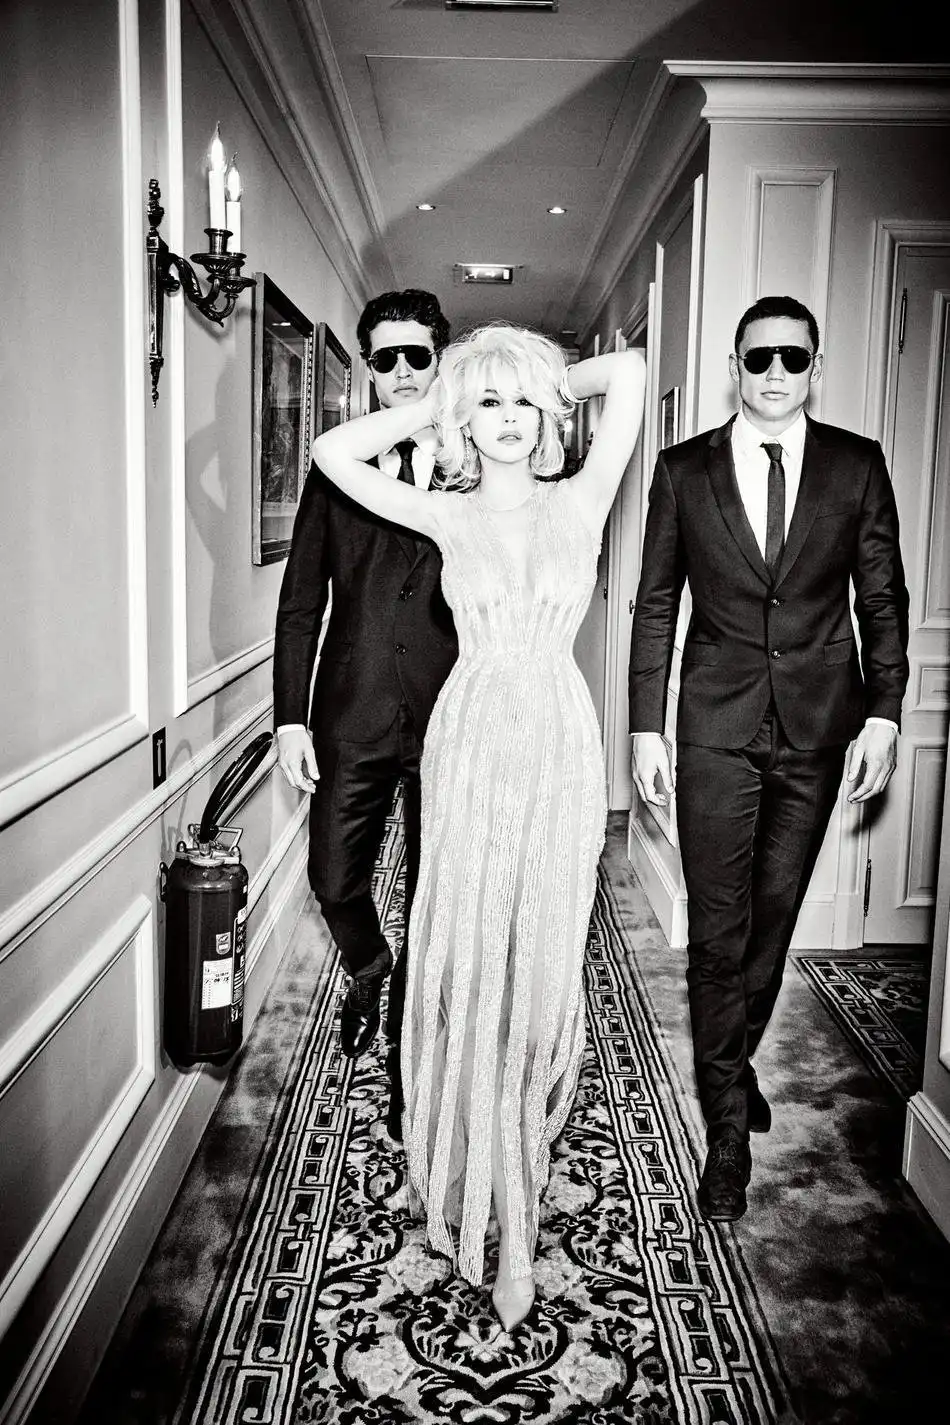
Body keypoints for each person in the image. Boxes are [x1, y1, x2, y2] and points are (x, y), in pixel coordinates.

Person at [311, 324, 646, 1331]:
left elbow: (627, 373)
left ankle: (515, 1179)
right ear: (465, 419)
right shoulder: (444, 513)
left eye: (522, 404)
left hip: (556, 747)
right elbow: (333, 452)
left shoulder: (582, 497)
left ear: (548, 415)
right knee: (470, 961)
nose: (507, 420)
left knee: (536, 965)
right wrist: (445, 392)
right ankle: (500, 1210)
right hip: (467, 748)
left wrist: (525, 370)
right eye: (487, 405)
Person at [629, 295, 909, 1224]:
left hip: (819, 728)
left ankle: (731, 1060)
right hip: (716, 726)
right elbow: (656, 603)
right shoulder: (684, 471)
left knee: (772, 922)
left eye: (794, 357)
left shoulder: (857, 465)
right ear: (736, 369)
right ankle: (725, 1132)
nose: (777, 372)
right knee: (717, 934)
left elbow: (882, 599)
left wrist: (885, 712)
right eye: (759, 358)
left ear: (815, 367)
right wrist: (645, 725)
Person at [273, 290, 457, 1140]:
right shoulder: (335, 468)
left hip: (452, 716)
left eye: (418, 355)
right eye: (386, 358)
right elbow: (300, 605)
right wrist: (290, 719)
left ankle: (408, 1067)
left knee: (432, 898)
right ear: (369, 368)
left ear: (440, 359)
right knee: (332, 879)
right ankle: (369, 962)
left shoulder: (476, 459)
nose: (403, 372)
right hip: (351, 714)